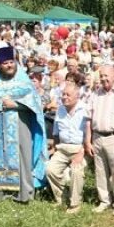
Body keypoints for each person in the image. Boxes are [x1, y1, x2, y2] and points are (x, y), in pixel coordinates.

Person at [0, 45, 47, 203]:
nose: (8, 65)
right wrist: (0, 104)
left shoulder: (24, 80)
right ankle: (1, 193)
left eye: (11, 62)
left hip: (21, 123)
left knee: (22, 156)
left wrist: (17, 105)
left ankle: (24, 194)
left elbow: (35, 103)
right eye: (5, 63)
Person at [85, 65, 114, 215]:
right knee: (100, 171)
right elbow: (88, 119)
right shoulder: (95, 94)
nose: (103, 79)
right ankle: (104, 200)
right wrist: (88, 141)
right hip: (97, 137)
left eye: (106, 75)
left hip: (113, 137)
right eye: (101, 76)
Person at [45, 82, 87, 214]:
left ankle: (75, 204)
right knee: (50, 169)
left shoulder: (84, 109)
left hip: (80, 148)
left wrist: (81, 152)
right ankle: (62, 197)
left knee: (76, 170)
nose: (64, 97)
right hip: (63, 148)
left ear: (77, 96)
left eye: (68, 95)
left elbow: (89, 135)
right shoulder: (60, 110)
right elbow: (56, 133)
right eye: (63, 94)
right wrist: (56, 149)